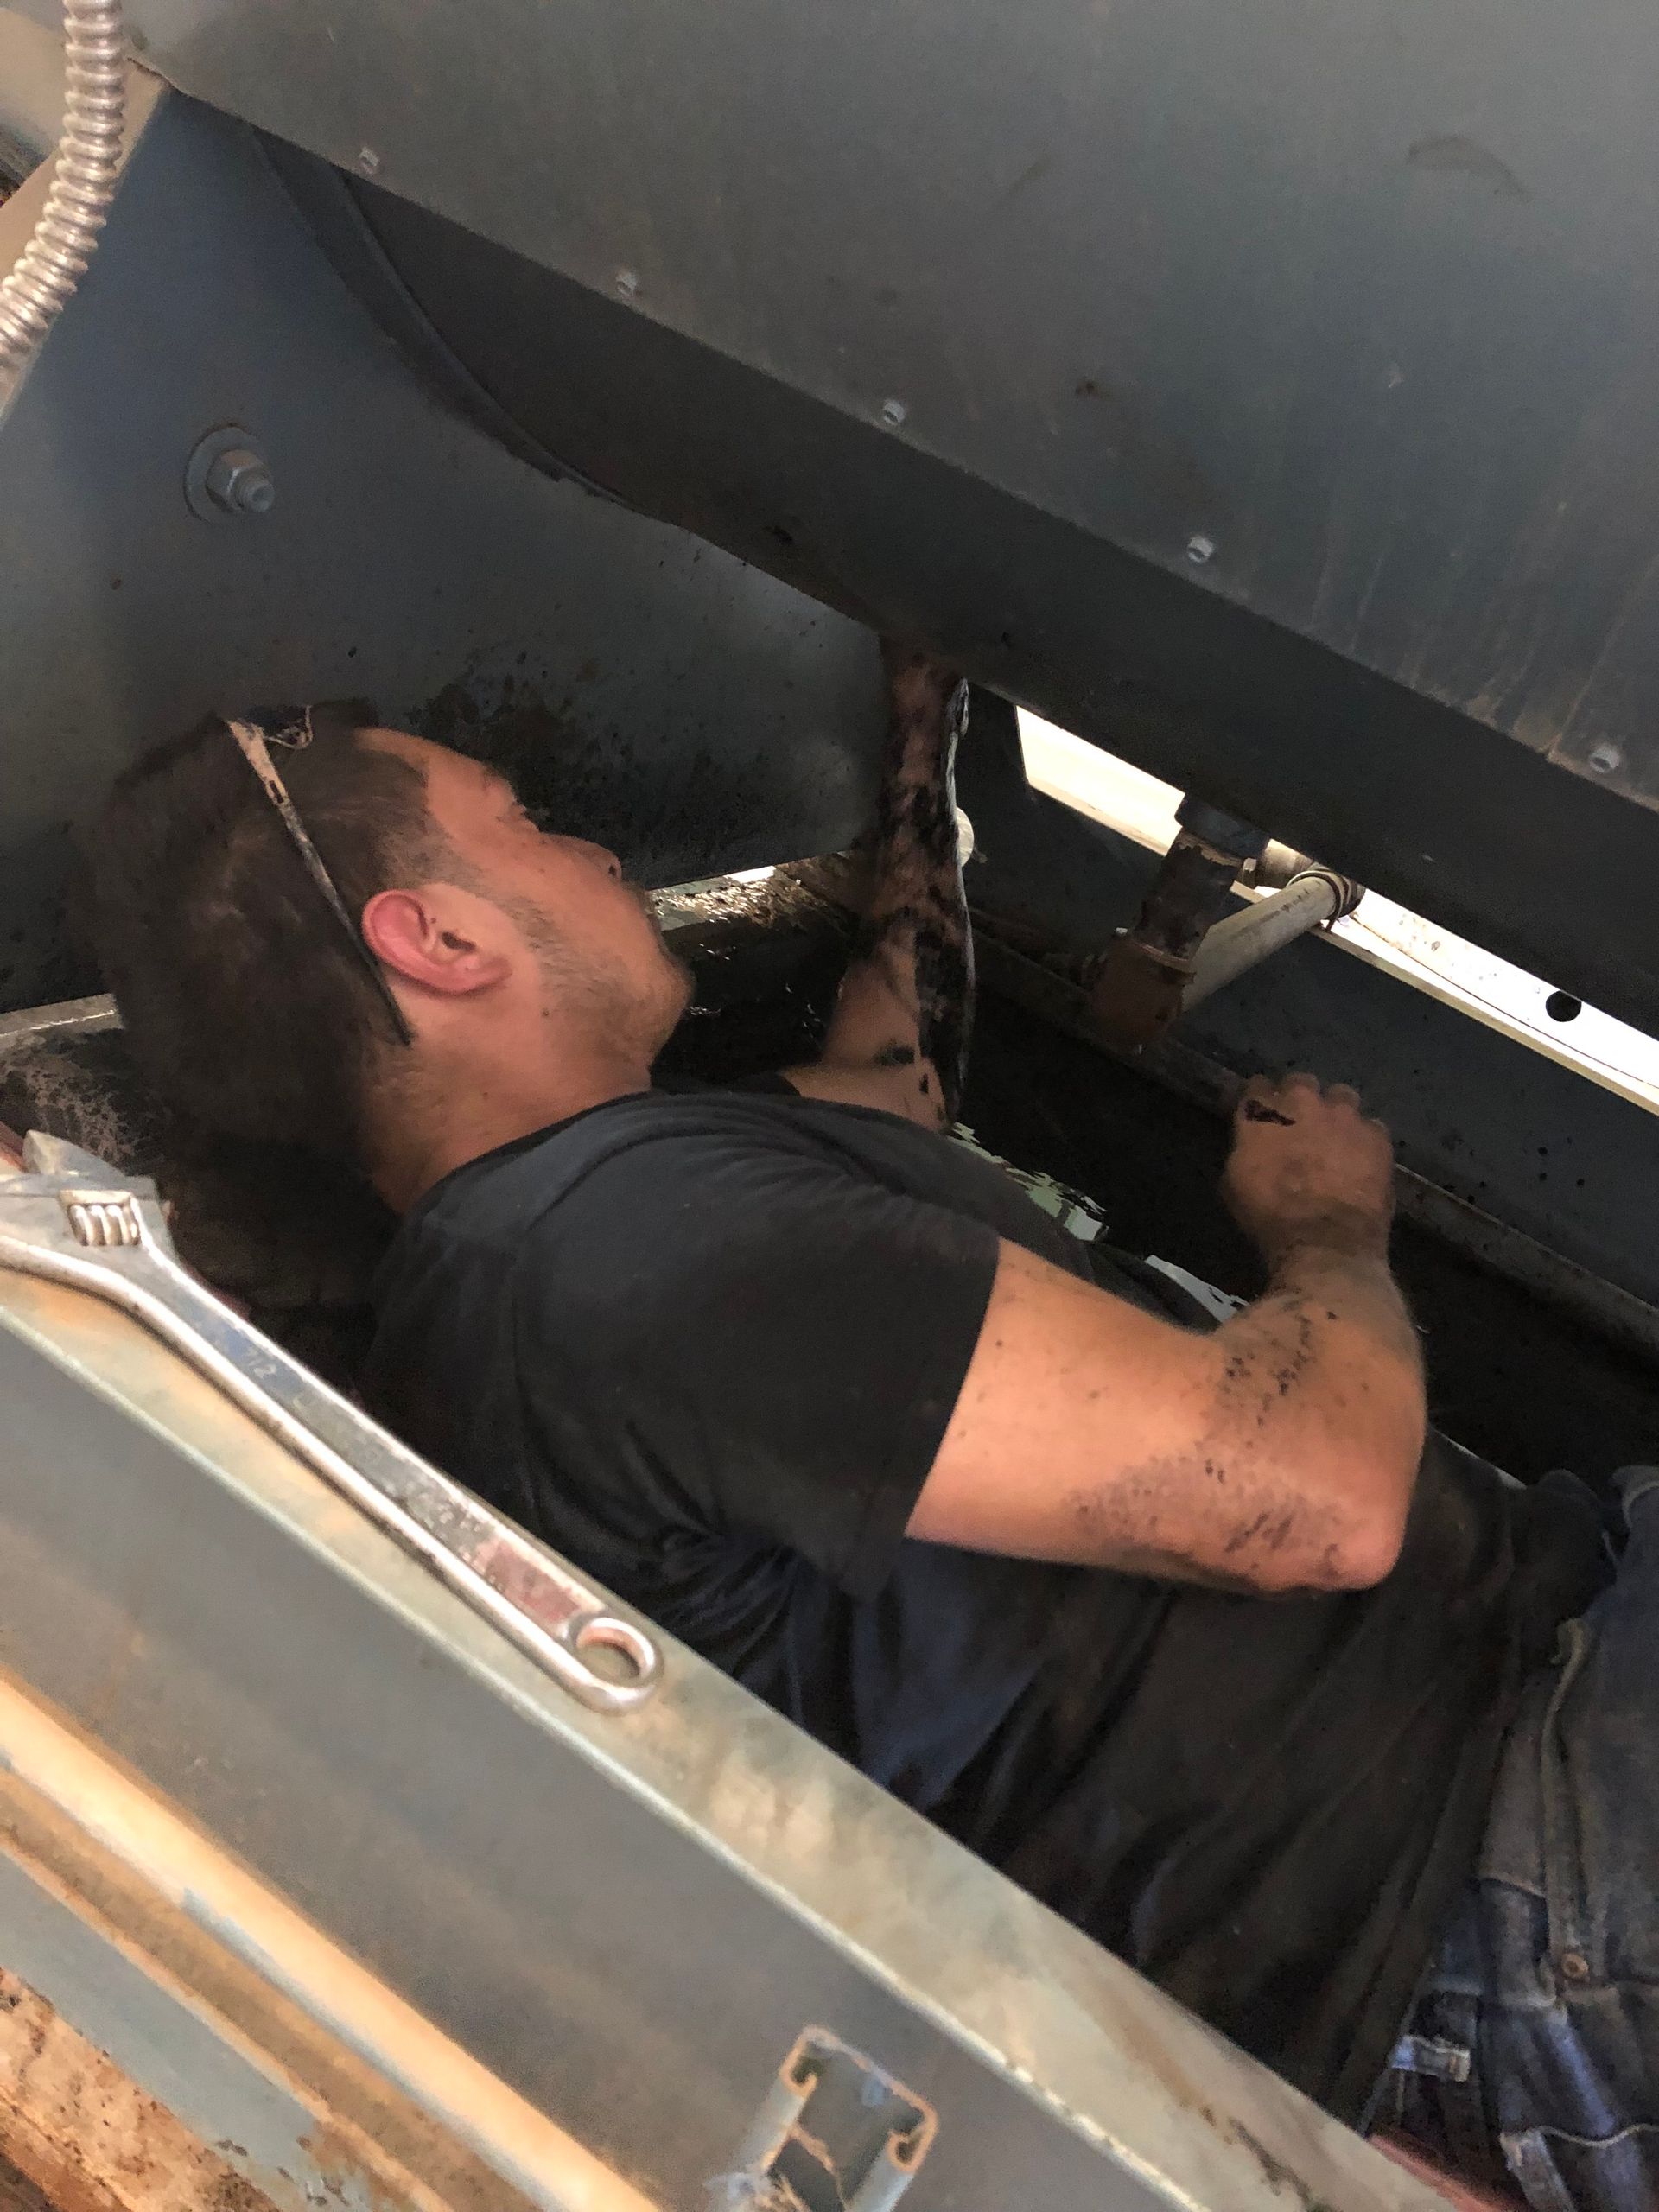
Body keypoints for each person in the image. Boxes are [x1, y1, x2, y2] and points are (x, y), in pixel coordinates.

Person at [86, 657, 1651, 2210]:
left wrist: (922, 749)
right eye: (526, 824)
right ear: (436, 938)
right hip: (1492, 1848)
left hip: (1523, 1716)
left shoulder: (606, 1203)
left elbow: (891, 1080)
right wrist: (1329, 1238)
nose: (595, 848)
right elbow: (1312, 1496)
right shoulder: (606, 1262)